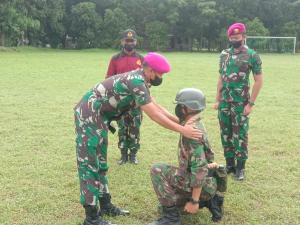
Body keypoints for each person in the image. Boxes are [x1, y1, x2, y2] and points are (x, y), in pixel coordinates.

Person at [74, 53, 203, 225]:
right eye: (159, 74)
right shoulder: (136, 81)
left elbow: (157, 106)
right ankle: (91, 218)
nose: (161, 77)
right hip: (89, 114)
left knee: (101, 162)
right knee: (90, 164)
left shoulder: (143, 81)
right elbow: (154, 114)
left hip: (100, 117)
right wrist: (182, 130)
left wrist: (181, 121)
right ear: (149, 69)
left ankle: (105, 205)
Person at [148, 88, 227, 225]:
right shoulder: (193, 122)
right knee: (164, 205)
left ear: (186, 108)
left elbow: (200, 169)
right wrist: (153, 103)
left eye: (180, 105)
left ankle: (172, 218)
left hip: (203, 183)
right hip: (206, 181)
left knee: (157, 169)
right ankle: (209, 201)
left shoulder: (192, 134)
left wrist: (194, 201)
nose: (178, 108)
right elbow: (169, 117)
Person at [213, 22, 263, 180]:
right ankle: (230, 165)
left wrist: (251, 104)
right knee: (225, 133)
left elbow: (258, 81)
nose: (234, 39)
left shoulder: (252, 55)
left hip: (241, 103)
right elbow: (221, 77)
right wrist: (217, 99)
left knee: (240, 135)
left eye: (237, 37)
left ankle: (240, 168)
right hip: (225, 103)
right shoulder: (224, 54)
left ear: (244, 37)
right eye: (232, 37)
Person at [106, 29, 144, 165]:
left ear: (136, 42)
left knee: (135, 127)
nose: (129, 43)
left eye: (132, 41)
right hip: (120, 101)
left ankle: (133, 154)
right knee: (122, 128)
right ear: (122, 41)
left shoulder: (141, 59)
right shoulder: (115, 59)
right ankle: (123, 154)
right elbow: (109, 79)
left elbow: (146, 79)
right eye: (127, 41)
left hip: (136, 101)